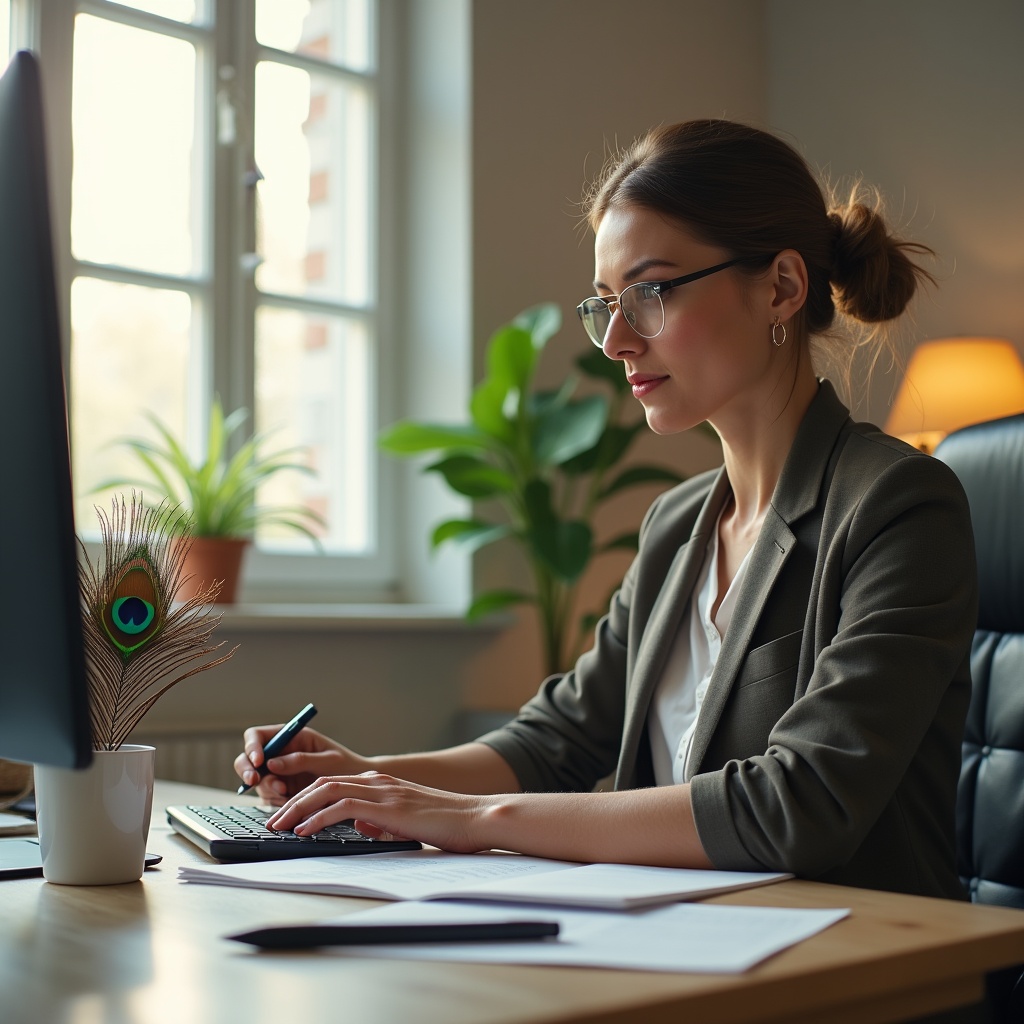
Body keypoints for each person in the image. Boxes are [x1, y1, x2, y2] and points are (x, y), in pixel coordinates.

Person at [235, 119, 977, 900]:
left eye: (650, 293)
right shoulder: (676, 527)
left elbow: (801, 805)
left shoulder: (898, 506)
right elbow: (558, 740)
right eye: (606, 304)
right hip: (687, 946)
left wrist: (473, 816)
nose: (617, 339)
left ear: (781, 287)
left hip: (865, 970)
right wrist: (358, 780)